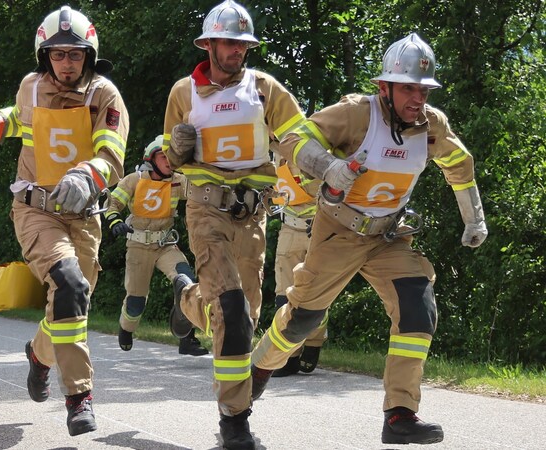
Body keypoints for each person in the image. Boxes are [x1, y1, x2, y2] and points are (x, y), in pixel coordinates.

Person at [250, 33, 488, 446]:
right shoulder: (355, 115)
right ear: (385, 87)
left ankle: (400, 414)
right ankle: (257, 370)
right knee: (304, 318)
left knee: (418, 306)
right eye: (409, 88)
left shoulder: (432, 126)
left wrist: (474, 219)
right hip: (339, 230)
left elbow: (459, 163)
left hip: (390, 237)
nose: (418, 98)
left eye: (424, 89)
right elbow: (294, 141)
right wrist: (329, 167)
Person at [0, 6, 128, 437]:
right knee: (69, 283)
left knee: (69, 304)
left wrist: (87, 176)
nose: (66, 62)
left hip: (83, 215)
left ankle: (38, 355)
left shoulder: (105, 95)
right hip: (35, 208)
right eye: (58, 54)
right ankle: (79, 395)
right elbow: (15, 120)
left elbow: (111, 154)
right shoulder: (30, 86)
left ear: (89, 55)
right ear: (44, 55)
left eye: (75, 54)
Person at [163, 1, 305, 447]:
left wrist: (328, 174)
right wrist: (176, 153)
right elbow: (167, 159)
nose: (236, 51)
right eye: (228, 42)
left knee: (244, 317)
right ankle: (234, 421)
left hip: (254, 215)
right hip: (206, 211)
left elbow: (300, 139)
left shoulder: (265, 90)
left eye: (243, 44)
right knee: (230, 312)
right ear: (208, 44)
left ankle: (187, 300)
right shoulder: (183, 93)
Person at [103, 135, 208, 356]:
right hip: (138, 246)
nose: (169, 161)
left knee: (186, 282)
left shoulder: (179, 181)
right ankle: (126, 328)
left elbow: (204, 191)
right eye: (163, 156)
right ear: (151, 159)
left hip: (166, 245)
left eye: (172, 157)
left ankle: (186, 337)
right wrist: (116, 221)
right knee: (136, 302)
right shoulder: (133, 180)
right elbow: (113, 204)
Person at [269, 159, 328, 377]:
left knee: (317, 292)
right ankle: (288, 356)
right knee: (283, 295)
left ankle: (314, 342)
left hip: (319, 230)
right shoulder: (275, 157)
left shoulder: (316, 152)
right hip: (289, 228)